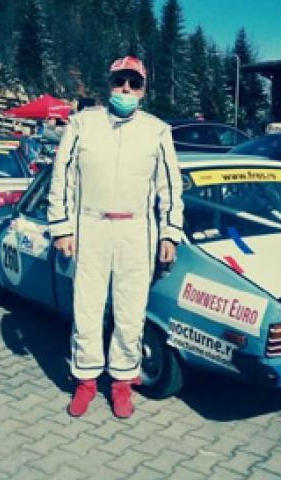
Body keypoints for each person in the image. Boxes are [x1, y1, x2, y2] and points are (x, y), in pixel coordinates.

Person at [47, 56, 184, 419]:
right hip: (91, 226)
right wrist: (61, 227)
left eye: (133, 83)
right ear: (109, 84)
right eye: (119, 81)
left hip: (136, 231)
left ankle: (122, 382)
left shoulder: (157, 130)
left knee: (130, 311)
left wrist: (170, 234)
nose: (125, 89)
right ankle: (85, 380)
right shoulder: (82, 124)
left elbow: (170, 187)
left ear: (143, 90)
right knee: (87, 308)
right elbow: (62, 178)